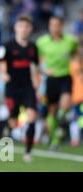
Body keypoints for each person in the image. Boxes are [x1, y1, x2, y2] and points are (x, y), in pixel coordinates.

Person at [0, 15, 41, 162]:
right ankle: (6, 148)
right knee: (13, 121)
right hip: (12, 87)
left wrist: (36, 80)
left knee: (32, 116)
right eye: (21, 26)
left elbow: (35, 66)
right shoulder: (7, 46)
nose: (24, 29)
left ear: (30, 29)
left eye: (26, 27)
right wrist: (2, 74)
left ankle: (28, 152)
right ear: (16, 28)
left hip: (27, 86)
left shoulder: (33, 48)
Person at [36, 16, 81, 150]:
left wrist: (78, 67)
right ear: (49, 26)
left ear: (62, 26)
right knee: (52, 111)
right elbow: (36, 61)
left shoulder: (71, 41)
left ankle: (61, 123)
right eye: (52, 25)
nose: (54, 28)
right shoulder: (42, 42)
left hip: (65, 77)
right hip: (51, 79)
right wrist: (44, 70)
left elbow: (77, 54)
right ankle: (54, 139)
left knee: (65, 105)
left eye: (57, 25)